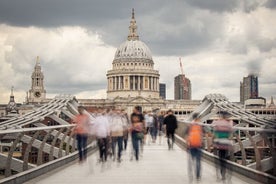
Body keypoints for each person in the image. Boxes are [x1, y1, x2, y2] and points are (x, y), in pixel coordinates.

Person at [211, 111, 233, 181]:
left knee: (220, 159)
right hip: (226, 143)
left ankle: (221, 174)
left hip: (219, 143)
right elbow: (230, 135)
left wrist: (213, 142)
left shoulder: (217, 123)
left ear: (220, 116)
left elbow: (214, 133)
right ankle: (225, 172)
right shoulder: (228, 124)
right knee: (225, 158)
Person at [184, 113, 204, 181]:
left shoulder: (190, 125)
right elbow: (206, 134)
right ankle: (197, 176)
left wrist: (187, 144)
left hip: (191, 145)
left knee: (191, 161)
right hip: (199, 145)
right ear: (198, 118)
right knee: (198, 161)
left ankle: (191, 174)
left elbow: (186, 135)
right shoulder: (201, 125)